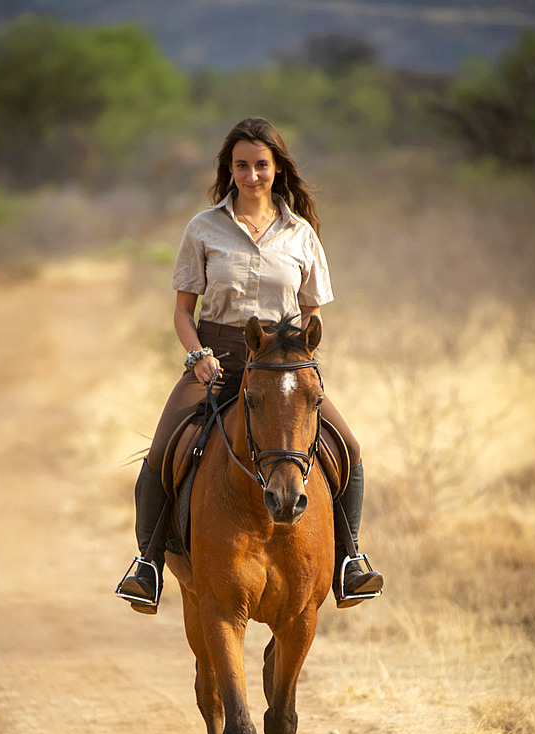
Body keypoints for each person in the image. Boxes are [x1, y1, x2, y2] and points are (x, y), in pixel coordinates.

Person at [118, 117, 383, 613]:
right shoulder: (203, 228)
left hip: (282, 369)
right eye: (242, 165)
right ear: (230, 169)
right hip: (216, 361)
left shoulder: (301, 233)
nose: (252, 175)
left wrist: (301, 354)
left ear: (278, 169)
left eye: (261, 164)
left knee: (347, 445)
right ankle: (149, 565)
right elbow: (182, 310)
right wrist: (197, 356)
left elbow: (312, 311)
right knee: (161, 452)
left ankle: (350, 561)